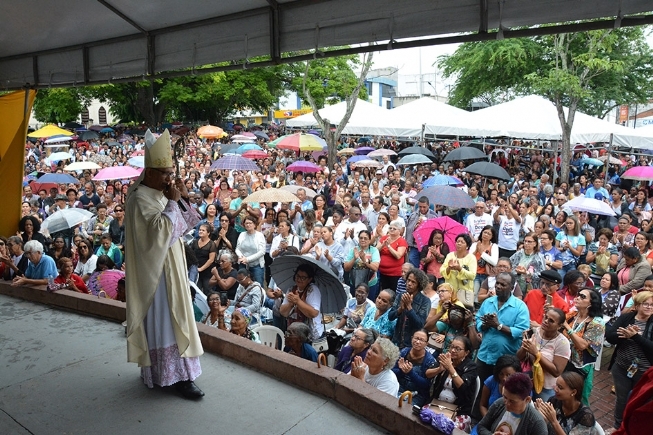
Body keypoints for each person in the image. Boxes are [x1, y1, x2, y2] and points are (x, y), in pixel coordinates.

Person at [125, 130, 204, 399]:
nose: (169, 179)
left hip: (174, 266)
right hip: (155, 274)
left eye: (171, 173)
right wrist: (171, 202)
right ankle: (170, 376)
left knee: (179, 317)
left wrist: (181, 199)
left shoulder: (161, 192)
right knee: (166, 320)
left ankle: (182, 374)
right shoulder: (139, 198)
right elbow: (157, 235)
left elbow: (185, 226)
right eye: (165, 174)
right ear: (149, 171)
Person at [605, 290, 653, 430]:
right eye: (646, 304)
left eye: (652, 305)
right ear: (637, 305)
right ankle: (618, 426)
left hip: (644, 372)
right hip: (621, 367)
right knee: (622, 399)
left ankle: (633, 426)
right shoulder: (627, 318)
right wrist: (624, 335)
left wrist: (636, 337)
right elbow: (610, 336)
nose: (649, 307)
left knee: (639, 400)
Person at [475, 272, 531, 387]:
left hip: (506, 363)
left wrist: (498, 326)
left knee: (502, 393)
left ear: (511, 287)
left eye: (503, 284)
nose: (498, 287)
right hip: (484, 356)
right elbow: (478, 319)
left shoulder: (520, 307)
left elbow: (522, 331)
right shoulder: (488, 302)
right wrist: (485, 324)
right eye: (497, 283)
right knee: (480, 391)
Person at [562, 288, 605, 405]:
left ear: (591, 303)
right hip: (565, 361)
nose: (577, 298)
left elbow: (582, 345)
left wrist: (567, 327)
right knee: (562, 393)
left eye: (582, 296)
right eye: (577, 295)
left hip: (581, 367)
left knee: (578, 400)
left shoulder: (597, 323)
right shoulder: (573, 315)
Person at [517, 307, 571, 401]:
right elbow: (518, 357)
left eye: (551, 321)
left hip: (546, 387)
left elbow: (556, 372)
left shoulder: (562, 343)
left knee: (541, 413)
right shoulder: (534, 332)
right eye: (545, 317)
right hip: (528, 381)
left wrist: (536, 353)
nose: (546, 321)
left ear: (559, 326)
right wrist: (525, 347)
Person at [476, 372, 548, 435]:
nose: (506, 403)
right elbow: (481, 426)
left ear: (527, 400)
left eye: (512, 401)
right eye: (505, 397)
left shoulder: (537, 423)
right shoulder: (499, 403)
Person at [428, 335, 479, 420]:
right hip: (437, 404)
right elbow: (427, 374)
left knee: (446, 427)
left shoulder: (471, 367)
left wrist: (450, 367)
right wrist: (439, 369)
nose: (452, 350)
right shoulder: (446, 358)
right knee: (424, 416)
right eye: (451, 347)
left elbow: (462, 387)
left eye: (457, 349)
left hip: (459, 411)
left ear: (466, 353)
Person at [388, 268, 431, 348]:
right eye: (408, 280)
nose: (409, 284)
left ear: (419, 285)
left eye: (413, 282)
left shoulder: (425, 301)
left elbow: (420, 324)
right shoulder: (401, 295)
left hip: (410, 344)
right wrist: (400, 309)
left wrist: (409, 307)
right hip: (397, 340)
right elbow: (390, 316)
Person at [279, 263, 324, 341]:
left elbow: (313, 313)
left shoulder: (313, 290)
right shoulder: (291, 289)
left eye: (303, 277)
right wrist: (291, 303)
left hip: (311, 335)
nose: (299, 279)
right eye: (297, 276)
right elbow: (283, 312)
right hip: (294, 334)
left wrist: (298, 301)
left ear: (309, 279)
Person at [441, 233, 477, 307]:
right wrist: (449, 268)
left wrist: (460, 269)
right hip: (450, 292)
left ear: (467, 246)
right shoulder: (450, 255)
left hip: (464, 294)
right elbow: (442, 271)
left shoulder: (471, 258)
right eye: (458, 241)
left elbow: (472, 275)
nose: (459, 243)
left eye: (462, 242)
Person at [344, 230, 381, 299]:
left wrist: (365, 260)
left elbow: (375, 268)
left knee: (369, 305)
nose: (363, 240)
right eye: (361, 238)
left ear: (369, 240)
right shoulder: (353, 250)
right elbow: (346, 268)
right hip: (355, 283)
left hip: (370, 283)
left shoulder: (374, 250)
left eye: (365, 238)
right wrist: (354, 259)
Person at [405, 197, 437, 267]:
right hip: (414, 245)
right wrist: (416, 227)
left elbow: (435, 232)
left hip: (426, 246)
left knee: (425, 265)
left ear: (428, 205)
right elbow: (408, 229)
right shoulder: (413, 215)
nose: (422, 209)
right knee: (412, 262)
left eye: (424, 207)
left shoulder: (433, 216)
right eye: (420, 207)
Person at [376, 219, 408, 290]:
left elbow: (398, 256)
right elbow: (376, 251)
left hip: (395, 274)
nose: (392, 229)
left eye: (394, 228)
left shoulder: (401, 241)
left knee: (392, 292)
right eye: (390, 228)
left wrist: (389, 246)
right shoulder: (384, 238)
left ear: (399, 231)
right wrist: (383, 245)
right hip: (381, 272)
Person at [470, 226, 499, 303]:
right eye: (485, 232)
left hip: (487, 275)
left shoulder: (494, 246)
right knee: (473, 294)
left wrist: (482, 252)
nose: (486, 235)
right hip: (475, 273)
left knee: (484, 296)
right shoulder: (475, 245)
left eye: (489, 234)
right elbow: (469, 259)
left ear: (492, 236)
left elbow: (494, 262)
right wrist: (476, 250)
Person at [235, 216, 266, 286]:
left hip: (256, 265)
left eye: (250, 223)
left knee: (258, 285)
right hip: (243, 264)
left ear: (254, 224)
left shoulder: (259, 235)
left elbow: (262, 252)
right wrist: (242, 257)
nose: (248, 225)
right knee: (242, 285)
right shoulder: (242, 234)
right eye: (246, 223)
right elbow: (237, 249)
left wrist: (247, 259)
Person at [190, 223, 217, 294]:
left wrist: (201, 269)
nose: (200, 231)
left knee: (206, 291)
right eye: (200, 230)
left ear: (208, 233)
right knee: (195, 290)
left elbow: (211, 260)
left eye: (203, 230)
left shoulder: (211, 244)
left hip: (207, 272)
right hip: (195, 271)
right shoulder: (195, 242)